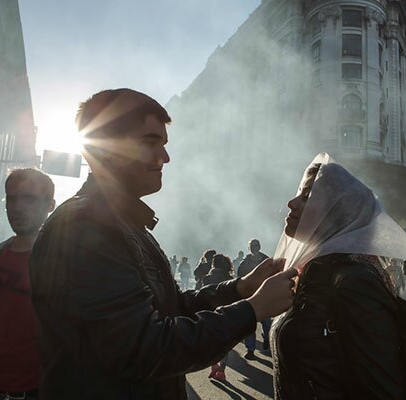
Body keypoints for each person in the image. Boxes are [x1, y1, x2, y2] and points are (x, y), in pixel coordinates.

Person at [28, 88, 297, 400]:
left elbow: (169, 309)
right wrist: (254, 308)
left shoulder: (124, 223)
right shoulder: (85, 227)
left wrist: (240, 288)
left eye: (164, 144)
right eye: (150, 142)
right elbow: (145, 347)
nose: (165, 157)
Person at [270, 153, 406, 399]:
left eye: (306, 196)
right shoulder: (311, 273)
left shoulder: (353, 282)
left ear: (334, 211)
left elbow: (383, 390)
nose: (292, 203)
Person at [0, 168, 55, 400]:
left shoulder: (63, 265)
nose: (17, 207)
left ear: (49, 206)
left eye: (29, 199)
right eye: (12, 198)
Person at [201, 254, 236, 382]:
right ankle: (221, 370)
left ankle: (213, 365)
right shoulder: (230, 278)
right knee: (225, 344)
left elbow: (201, 295)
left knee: (211, 342)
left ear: (213, 264)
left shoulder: (207, 278)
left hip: (210, 313)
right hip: (227, 313)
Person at [237, 239, 270, 359]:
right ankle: (250, 350)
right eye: (251, 246)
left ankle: (267, 338)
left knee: (267, 323)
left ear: (259, 247)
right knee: (250, 324)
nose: (254, 248)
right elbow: (239, 279)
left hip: (264, 295)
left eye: (256, 245)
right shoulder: (244, 263)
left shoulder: (266, 260)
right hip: (249, 296)